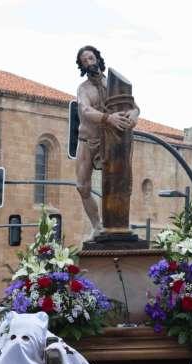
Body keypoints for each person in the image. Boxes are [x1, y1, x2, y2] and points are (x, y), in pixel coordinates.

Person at [74, 45, 139, 238]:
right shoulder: (83, 89)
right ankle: (97, 225)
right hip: (89, 139)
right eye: (84, 61)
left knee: (123, 180)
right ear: (82, 66)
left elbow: (134, 106)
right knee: (81, 185)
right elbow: (85, 110)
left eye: (91, 58)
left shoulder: (113, 84)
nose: (89, 62)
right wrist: (107, 118)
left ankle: (120, 223)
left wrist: (134, 114)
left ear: (98, 59)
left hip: (112, 140)